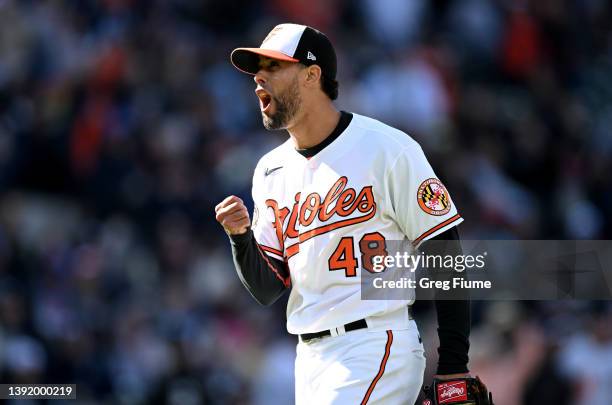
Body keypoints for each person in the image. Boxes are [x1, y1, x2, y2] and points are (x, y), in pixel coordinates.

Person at [215, 23, 471, 404]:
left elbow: (445, 252)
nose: (259, 79)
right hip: (310, 359)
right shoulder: (270, 170)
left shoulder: (386, 148)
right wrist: (240, 237)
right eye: (257, 70)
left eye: (273, 67)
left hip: (377, 343)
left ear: (312, 75)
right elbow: (268, 288)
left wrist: (453, 365)